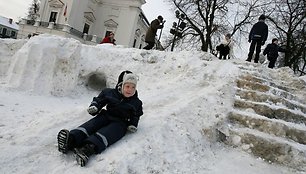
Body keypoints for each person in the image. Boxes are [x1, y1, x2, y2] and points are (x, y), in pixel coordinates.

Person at [57, 70, 143, 167]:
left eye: (133, 87)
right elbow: (99, 100)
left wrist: (133, 124)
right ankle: (70, 140)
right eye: (127, 86)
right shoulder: (110, 93)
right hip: (106, 115)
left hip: (120, 123)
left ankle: (87, 149)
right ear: (121, 85)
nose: (130, 90)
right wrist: (95, 106)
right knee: (91, 125)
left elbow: (136, 115)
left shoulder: (136, 102)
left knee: (107, 133)